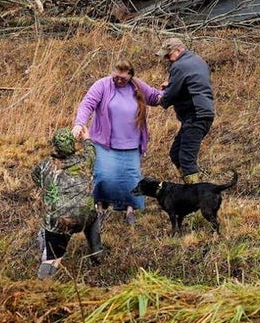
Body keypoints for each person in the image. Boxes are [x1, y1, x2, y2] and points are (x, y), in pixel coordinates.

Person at [71, 61, 162, 225]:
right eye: (117, 75)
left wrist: (170, 90)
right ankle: (99, 208)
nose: (120, 79)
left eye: (124, 76)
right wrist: (79, 123)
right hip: (105, 143)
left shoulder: (138, 86)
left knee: (131, 179)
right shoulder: (102, 85)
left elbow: (156, 98)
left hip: (131, 143)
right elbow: (88, 104)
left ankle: (130, 211)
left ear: (130, 75)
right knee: (103, 176)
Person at [31, 127, 102, 279]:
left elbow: (36, 179)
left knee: (52, 259)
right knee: (93, 214)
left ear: (55, 147)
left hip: (60, 222)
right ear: (73, 145)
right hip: (85, 216)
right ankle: (97, 253)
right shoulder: (85, 160)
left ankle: (40, 286)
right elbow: (92, 149)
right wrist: (86, 137)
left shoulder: (45, 166)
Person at [156, 37, 215, 184]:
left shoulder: (179, 66)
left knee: (186, 158)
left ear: (178, 50)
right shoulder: (198, 61)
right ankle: (189, 188)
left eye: (168, 55)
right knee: (175, 153)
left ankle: (196, 196)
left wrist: (156, 99)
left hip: (196, 115)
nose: (168, 59)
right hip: (203, 114)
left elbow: (170, 95)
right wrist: (171, 84)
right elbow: (192, 83)